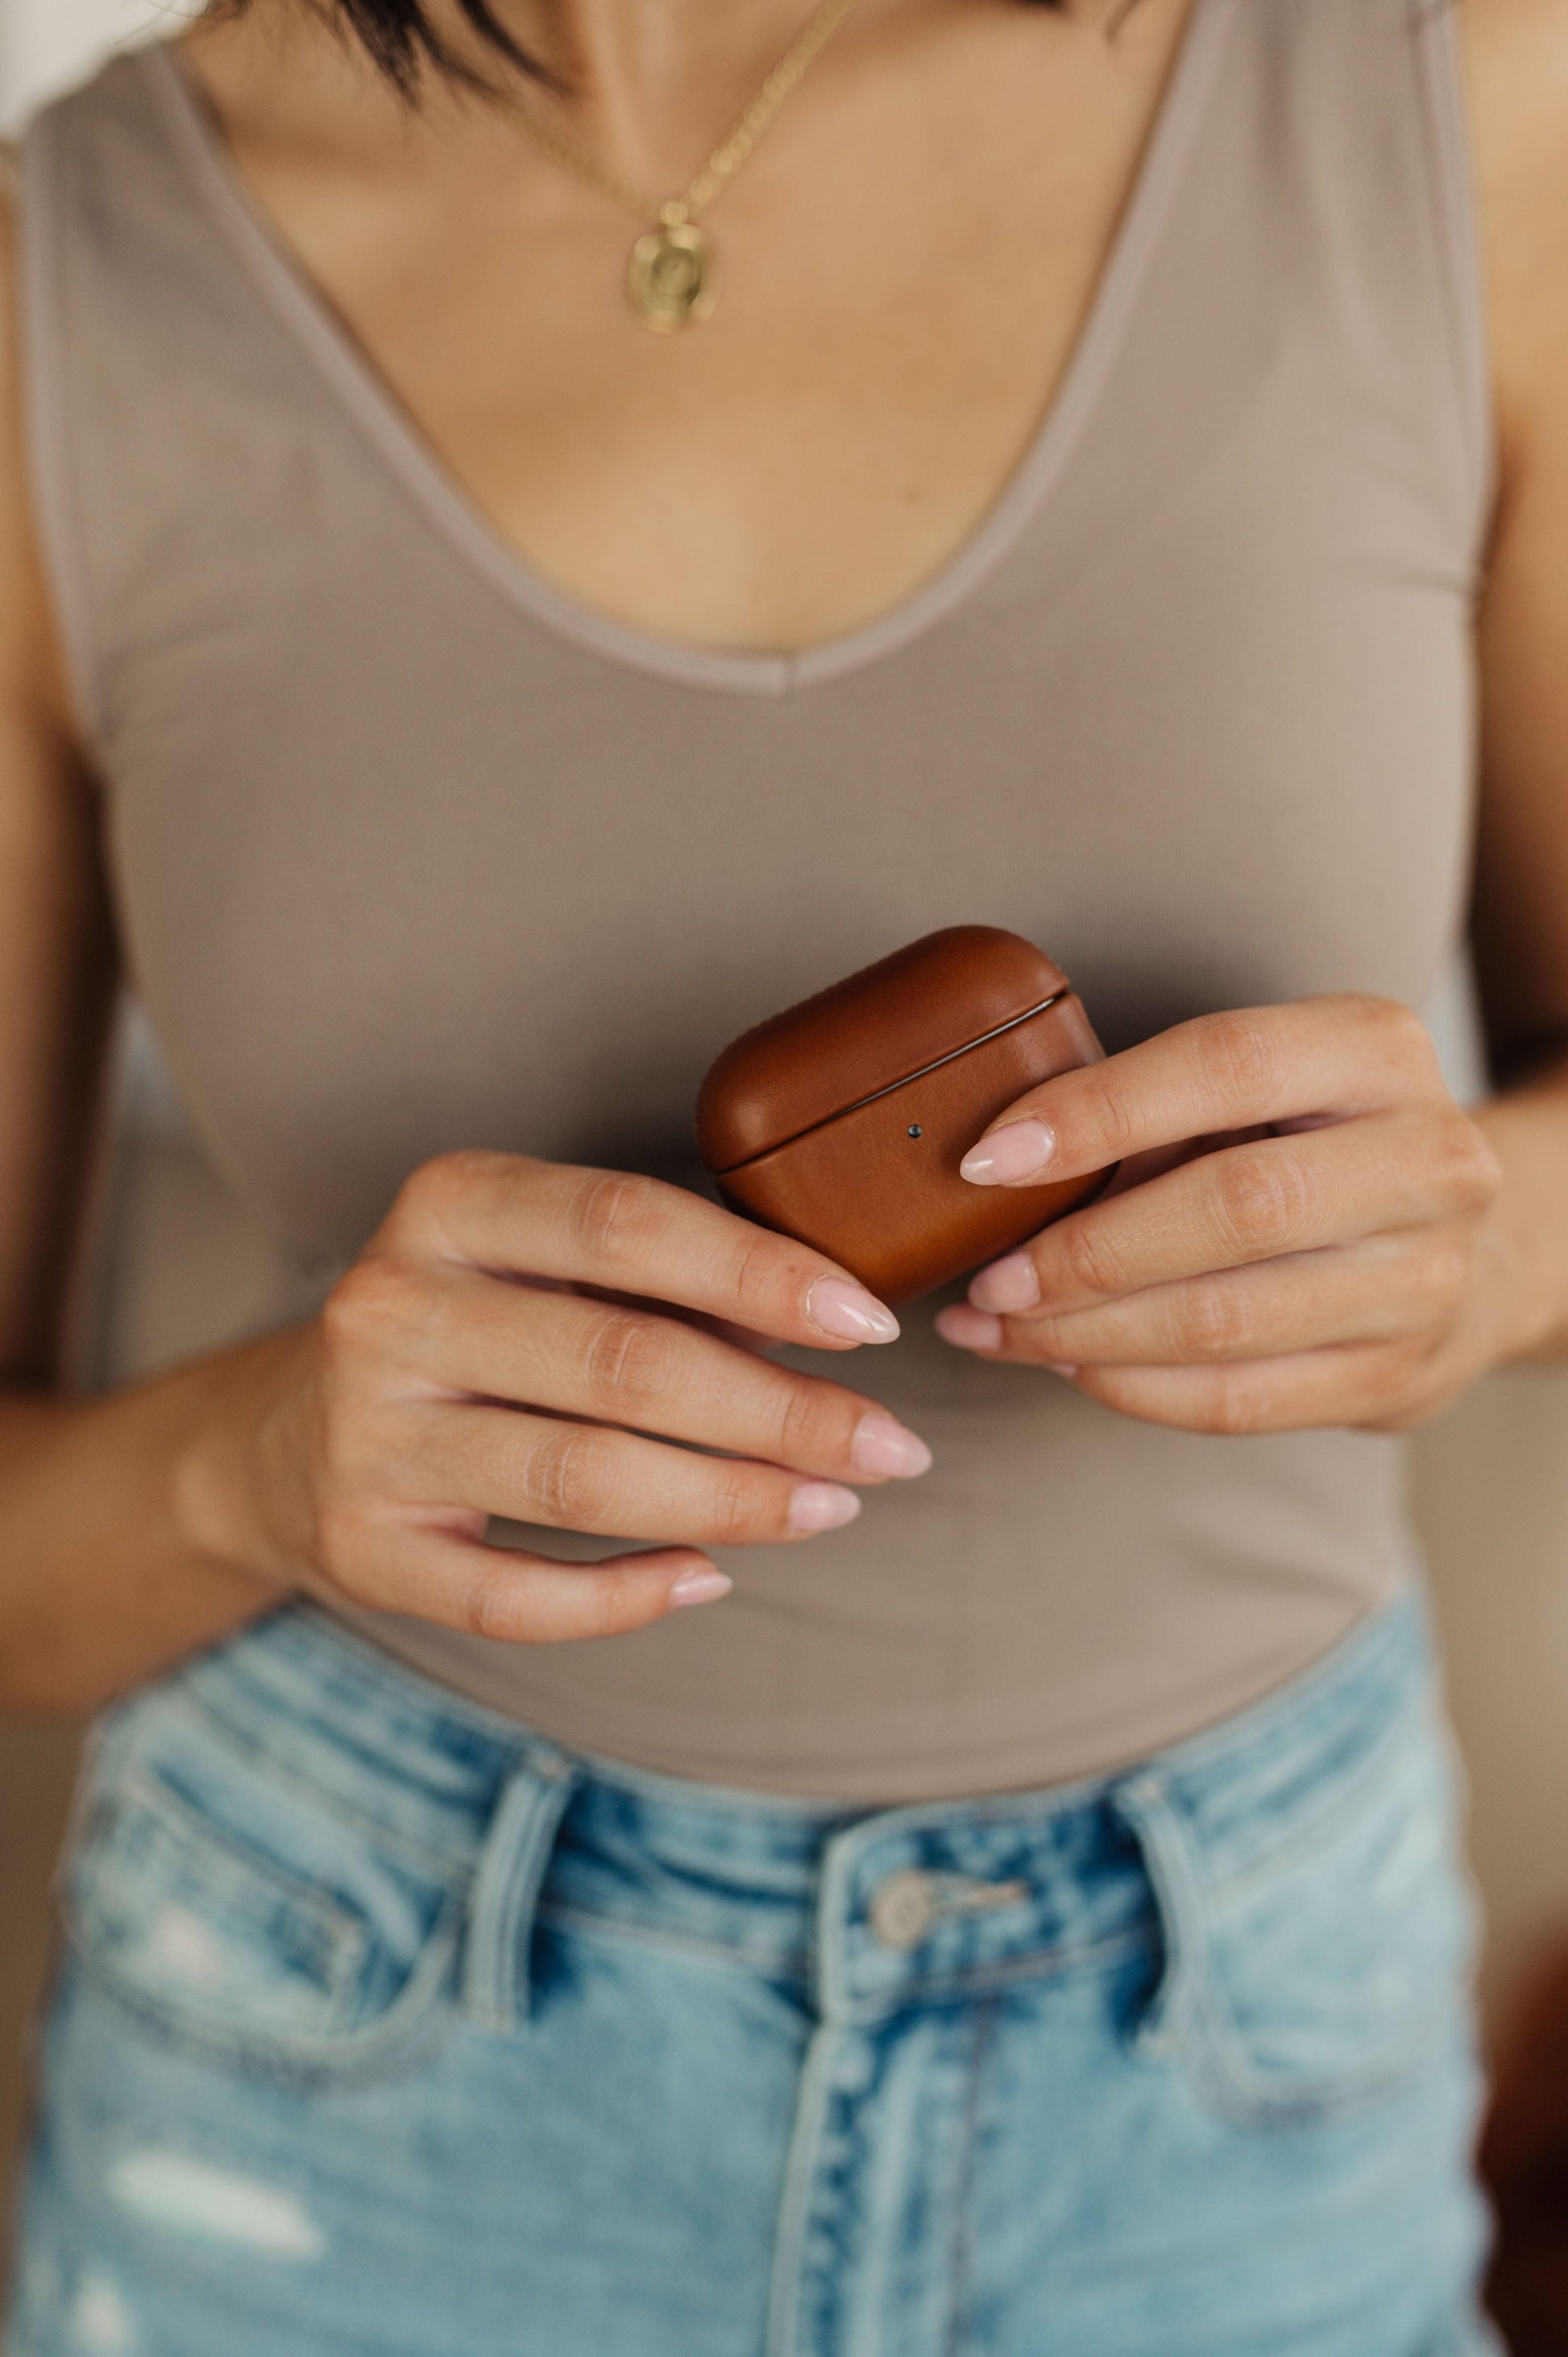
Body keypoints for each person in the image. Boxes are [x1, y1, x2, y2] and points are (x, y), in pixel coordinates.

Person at [2, 0, 1566, 2342]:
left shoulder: (1462, 101)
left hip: (1240, 2057)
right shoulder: (63, 291)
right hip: (359, 2080)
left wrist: (1504, 1230)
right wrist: (258, 1460)